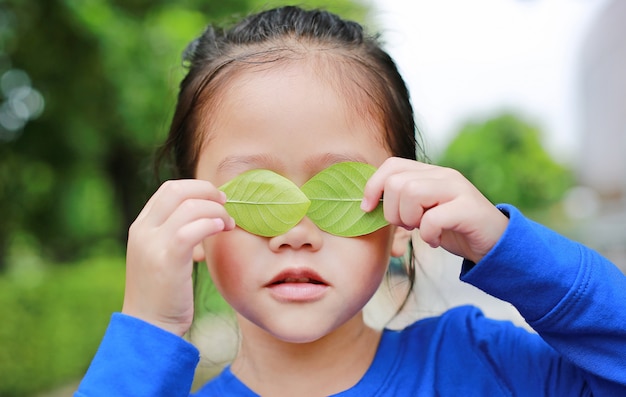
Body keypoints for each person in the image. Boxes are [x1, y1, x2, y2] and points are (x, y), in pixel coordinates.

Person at [75, 6, 626, 396]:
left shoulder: (481, 364)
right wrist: (148, 331)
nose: (295, 232)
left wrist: (511, 249)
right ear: (188, 220)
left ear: (402, 220)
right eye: (256, 193)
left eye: (336, 188)